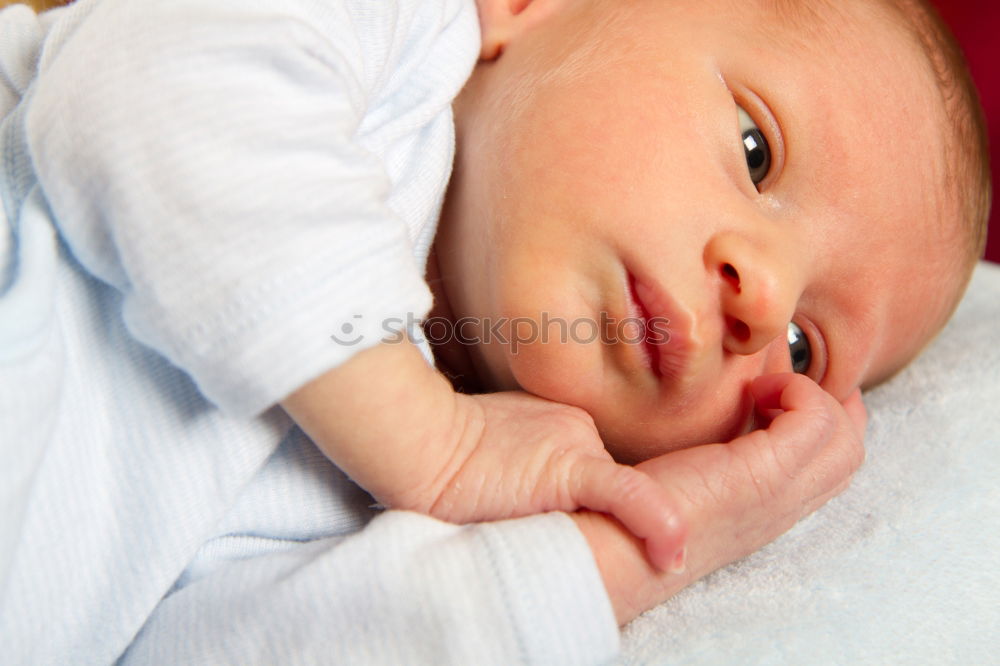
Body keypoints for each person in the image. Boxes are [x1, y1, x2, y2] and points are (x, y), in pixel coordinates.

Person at [0, 0, 989, 663]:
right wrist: (429, 440)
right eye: (753, 146)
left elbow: (226, 646)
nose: (763, 297)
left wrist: (654, 542)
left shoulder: (433, 502)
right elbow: (140, 93)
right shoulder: (389, 48)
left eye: (804, 351)